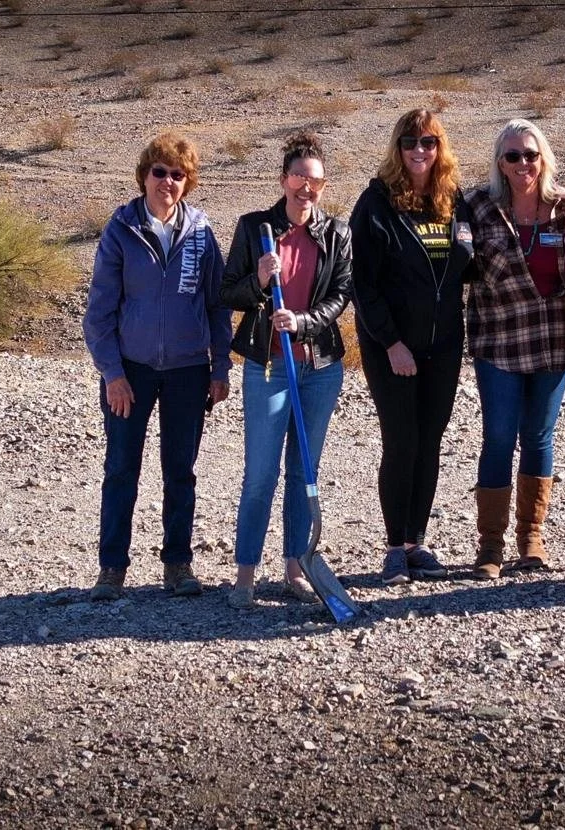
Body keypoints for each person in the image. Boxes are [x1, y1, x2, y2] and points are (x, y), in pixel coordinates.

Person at [83, 131, 232, 600]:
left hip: (188, 370)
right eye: (160, 172)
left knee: (180, 471)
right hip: (132, 371)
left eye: (178, 175)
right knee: (121, 468)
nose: (167, 181)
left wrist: (220, 367)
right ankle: (112, 569)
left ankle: (178, 564)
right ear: (145, 175)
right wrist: (113, 374)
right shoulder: (121, 230)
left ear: (188, 182)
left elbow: (218, 306)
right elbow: (99, 313)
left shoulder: (202, 234)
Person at [220, 132, 352, 610]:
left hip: (319, 367)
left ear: (323, 185)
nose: (306, 187)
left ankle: (296, 568)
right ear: (283, 179)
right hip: (270, 368)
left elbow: (340, 295)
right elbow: (227, 292)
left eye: (314, 180)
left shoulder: (337, 233)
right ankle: (245, 575)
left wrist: (301, 322)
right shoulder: (255, 228)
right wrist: (258, 278)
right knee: (260, 473)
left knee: (304, 471)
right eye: (298, 177)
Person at [350, 108, 476, 586]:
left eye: (428, 142)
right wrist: (391, 343)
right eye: (409, 142)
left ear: (439, 147)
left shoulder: (452, 200)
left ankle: (416, 542)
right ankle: (393, 546)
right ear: (397, 148)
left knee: (430, 442)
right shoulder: (377, 202)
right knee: (401, 441)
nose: (419, 151)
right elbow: (364, 285)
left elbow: (469, 264)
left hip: (443, 343)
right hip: (393, 348)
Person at [465, 119, 565, 579]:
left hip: (553, 342)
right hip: (498, 340)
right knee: (498, 436)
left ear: (543, 157)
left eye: (530, 154)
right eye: (513, 156)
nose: (523, 163)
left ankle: (531, 536)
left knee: (539, 437)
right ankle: (490, 544)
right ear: (499, 163)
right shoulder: (477, 207)